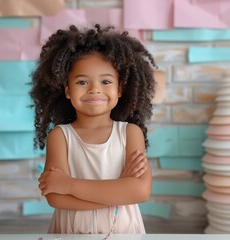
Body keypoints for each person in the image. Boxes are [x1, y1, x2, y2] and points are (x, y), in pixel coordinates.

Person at [29, 24, 156, 236]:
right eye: (82, 82)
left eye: (106, 81)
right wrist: (118, 191)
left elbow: (140, 191)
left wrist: (69, 185)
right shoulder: (60, 137)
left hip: (123, 231)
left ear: (120, 89)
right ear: (68, 90)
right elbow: (55, 197)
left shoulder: (130, 134)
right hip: (72, 231)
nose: (94, 89)